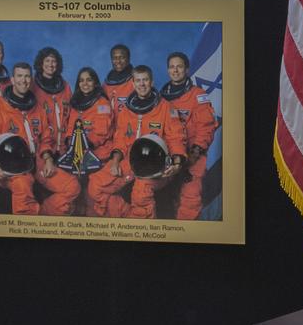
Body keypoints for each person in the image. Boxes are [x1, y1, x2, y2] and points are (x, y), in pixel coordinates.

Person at [0, 62, 80, 215]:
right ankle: (26, 225)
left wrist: (47, 159)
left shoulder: (37, 109)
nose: (24, 80)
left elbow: (46, 138)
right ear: (12, 80)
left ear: (31, 80)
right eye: (19, 76)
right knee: (22, 187)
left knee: (72, 186)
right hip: (12, 167)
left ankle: (45, 216)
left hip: (37, 162)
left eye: (27, 76)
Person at [87, 65, 186, 219]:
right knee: (95, 185)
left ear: (152, 82)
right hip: (129, 160)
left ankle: (140, 228)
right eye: (138, 81)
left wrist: (177, 163)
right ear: (133, 84)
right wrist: (115, 161)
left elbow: (176, 138)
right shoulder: (127, 110)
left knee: (141, 194)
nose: (142, 84)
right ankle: (127, 219)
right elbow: (119, 139)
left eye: (145, 80)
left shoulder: (166, 108)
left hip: (157, 164)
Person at [160, 51, 219, 220]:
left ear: (186, 69)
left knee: (190, 200)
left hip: (193, 157)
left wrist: (196, 150)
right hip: (168, 155)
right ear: (168, 70)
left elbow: (206, 126)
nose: (175, 70)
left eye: (179, 66)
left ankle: (186, 235)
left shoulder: (198, 95)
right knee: (162, 199)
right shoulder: (161, 97)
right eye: (172, 67)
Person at [58, 67, 118, 209]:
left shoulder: (102, 104)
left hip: (98, 154)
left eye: (89, 80)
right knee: (72, 189)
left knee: (91, 195)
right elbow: (69, 129)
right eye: (81, 80)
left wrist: (84, 146)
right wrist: (69, 142)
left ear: (95, 83)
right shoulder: (76, 103)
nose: (85, 84)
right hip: (78, 154)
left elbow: (101, 133)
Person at [32, 46, 71, 142]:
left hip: (63, 145)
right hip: (43, 146)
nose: (50, 64)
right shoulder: (32, 87)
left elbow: (71, 113)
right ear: (41, 63)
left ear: (57, 64)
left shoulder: (65, 87)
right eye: (47, 61)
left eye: (53, 61)